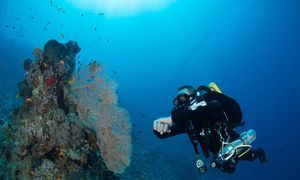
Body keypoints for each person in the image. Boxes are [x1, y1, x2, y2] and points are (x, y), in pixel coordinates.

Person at [153, 83, 267, 174]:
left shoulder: (208, 99)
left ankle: (258, 152)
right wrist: (158, 130)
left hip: (231, 141)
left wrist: (171, 118)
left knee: (250, 156)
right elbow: (165, 134)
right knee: (229, 169)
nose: (180, 104)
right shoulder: (188, 122)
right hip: (218, 153)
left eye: (182, 98)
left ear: (193, 95)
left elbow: (214, 106)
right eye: (177, 102)